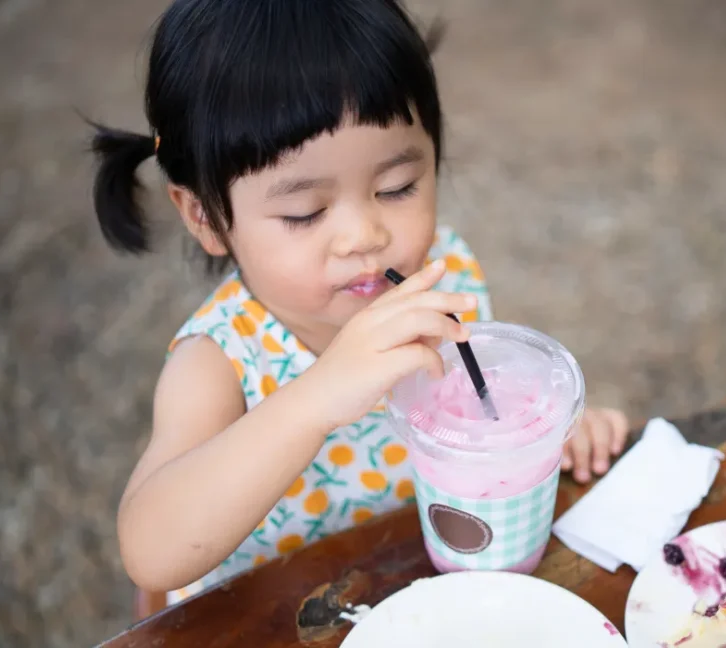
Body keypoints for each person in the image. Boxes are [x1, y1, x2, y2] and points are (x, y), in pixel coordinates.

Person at [88, 0, 630, 604]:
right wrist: (318, 398)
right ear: (205, 217)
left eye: (397, 188)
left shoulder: (440, 275)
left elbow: (479, 401)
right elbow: (151, 553)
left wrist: (537, 440)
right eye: (304, 212)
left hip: (416, 590)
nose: (364, 236)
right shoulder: (219, 361)